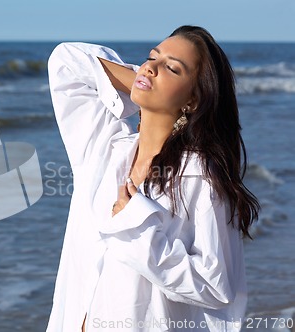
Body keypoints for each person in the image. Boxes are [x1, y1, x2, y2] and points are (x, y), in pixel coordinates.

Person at [46, 25, 260, 331]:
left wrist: (139, 232)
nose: (151, 67)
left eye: (172, 68)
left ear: (194, 99)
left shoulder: (199, 174)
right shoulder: (105, 150)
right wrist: (146, 81)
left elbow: (216, 286)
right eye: (151, 57)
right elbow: (66, 61)